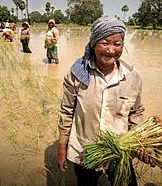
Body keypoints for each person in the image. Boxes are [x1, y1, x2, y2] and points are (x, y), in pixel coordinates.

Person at [56, 16, 153, 186]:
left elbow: (136, 112)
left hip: (119, 151)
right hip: (85, 152)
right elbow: (66, 112)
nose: (110, 50)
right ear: (93, 44)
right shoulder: (77, 75)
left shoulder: (132, 76)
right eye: (105, 43)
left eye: (117, 44)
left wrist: (139, 143)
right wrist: (62, 149)